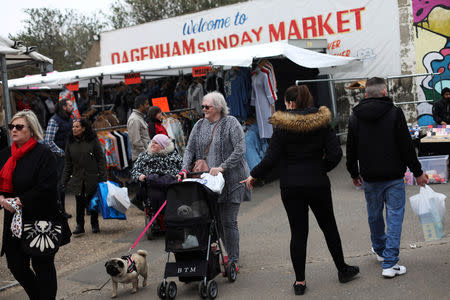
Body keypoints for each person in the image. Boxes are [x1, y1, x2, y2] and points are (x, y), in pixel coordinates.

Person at [241, 85, 359, 296]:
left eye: (285, 102)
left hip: (291, 185)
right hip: (317, 183)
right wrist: (320, 169)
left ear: (291, 103)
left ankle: (300, 282)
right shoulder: (321, 123)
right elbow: (334, 155)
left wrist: (254, 174)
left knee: (298, 233)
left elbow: (271, 159)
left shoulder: (282, 127)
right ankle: (343, 269)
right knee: (329, 227)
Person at [346, 77, 428, 278]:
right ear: (384, 92)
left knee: (374, 215)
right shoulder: (394, 113)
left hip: (370, 176)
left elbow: (351, 148)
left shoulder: (355, 116)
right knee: (394, 217)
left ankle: (381, 251)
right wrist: (417, 173)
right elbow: (406, 146)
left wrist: (353, 173)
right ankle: (390, 263)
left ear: (366, 95)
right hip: (393, 176)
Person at [179, 91, 250, 269]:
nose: (203, 109)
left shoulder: (230, 123)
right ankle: (222, 253)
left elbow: (240, 149)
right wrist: (184, 169)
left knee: (228, 221)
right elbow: (189, 149)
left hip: (233, 179)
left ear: (218, 107)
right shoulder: (200, 125)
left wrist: (222, 166)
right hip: (211, 183)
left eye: (207, 106)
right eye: (202, 106)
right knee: (216, 221)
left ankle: (233, 259)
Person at [0, 110, 59, 299]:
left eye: (19, 127)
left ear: (31, 130)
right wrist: (1, 199)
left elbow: (48, 187)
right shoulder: (5, 154)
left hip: (39, 218)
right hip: (13, 220)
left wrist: (20, 201)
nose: (14, 130)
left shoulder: (44, 154)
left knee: (43, 265)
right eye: (11, 127)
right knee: (15, 265)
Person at [62, 119, 107, 234]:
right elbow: (68, 163)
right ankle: (79, 225)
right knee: (79, 202)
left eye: (77, 127)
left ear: (83, 128)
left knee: (93, 202)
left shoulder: (92, 141)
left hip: (92, 176)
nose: (74, 129)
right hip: (77, 177)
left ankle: (94, 224)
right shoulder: (70, 142)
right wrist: (64, 180)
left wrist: (103, 178)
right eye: (73, 127)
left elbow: (100, 159)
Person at [44, 98, 74, 219]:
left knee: (65, 183)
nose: (72, 107)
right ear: (64, 107)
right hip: (58, 157)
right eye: (70, 105)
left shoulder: (70, 119)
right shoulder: (54, 121)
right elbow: (48, 141)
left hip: (68, 156)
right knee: (59, 184)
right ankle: (60, 210)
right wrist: (61, 152)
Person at [127, 94, 151, 162]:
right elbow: (136, 141)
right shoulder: (134, 119)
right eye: (147, 104)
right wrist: (146, 153)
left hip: (143, 156)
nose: (148, 106)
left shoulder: (139, 117)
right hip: (141, 158)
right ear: (141, 106)